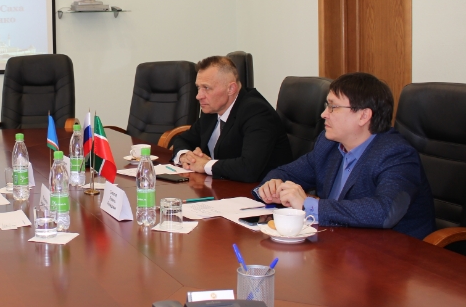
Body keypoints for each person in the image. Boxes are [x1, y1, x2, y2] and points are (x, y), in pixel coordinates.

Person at [255, 72, 435, 240]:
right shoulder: (329, 145)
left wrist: (308, 205)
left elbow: (385, 211)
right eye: (327, 106)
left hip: (393, 252)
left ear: (363, 116)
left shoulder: (396, 154)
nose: (324, 114)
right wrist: (272, 186)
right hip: (340, 243)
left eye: (333, 107)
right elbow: (285, 173)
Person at [173, 56, 293, 183]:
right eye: (198, 87)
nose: (199, 96)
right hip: (221, 185)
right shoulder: (212, 109)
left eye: (206, 88)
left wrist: (205, 165)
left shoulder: (257, 112)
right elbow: (183, 139)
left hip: (260, 189)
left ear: (231, 89)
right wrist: (185, 156)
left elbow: (248, 168)